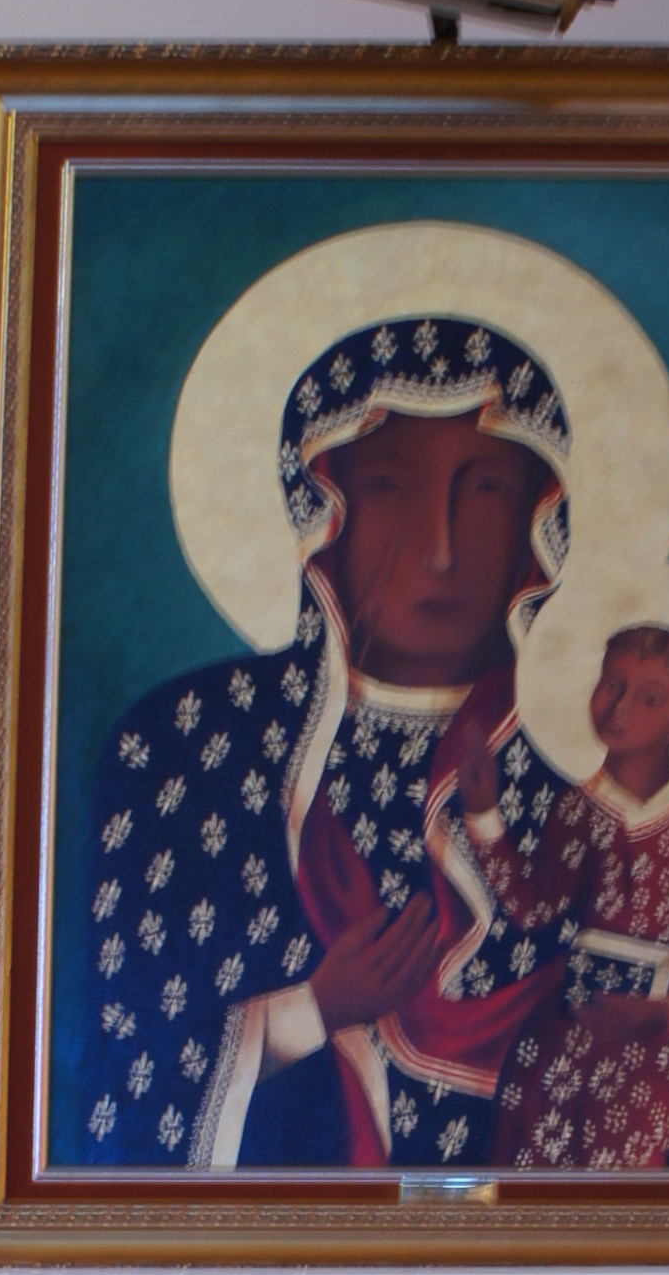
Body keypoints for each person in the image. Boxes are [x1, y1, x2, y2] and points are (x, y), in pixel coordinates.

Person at [76, 314, 584, 1170]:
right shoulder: (186, 750)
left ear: (540, 522)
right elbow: (120, 1069)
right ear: (322, 509)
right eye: (389, 486)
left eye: (487, 489)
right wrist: (311, 1010)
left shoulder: (569, 789)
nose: (440, 548)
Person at [464, 621, 669, 1169]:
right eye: (611, 685)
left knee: (621, 1107)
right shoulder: (578, 811)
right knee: (536, 1083)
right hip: (590, 1016)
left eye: (648, 698)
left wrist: (663, 1015)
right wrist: (483, 812)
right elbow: (534, 906)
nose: (619, 708)